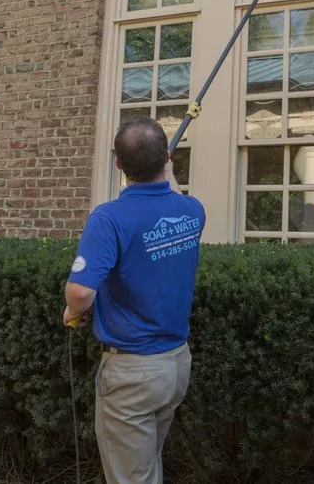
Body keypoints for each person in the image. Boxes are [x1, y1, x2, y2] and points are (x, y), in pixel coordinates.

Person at [62, 116, 205, 484]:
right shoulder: (192, 212)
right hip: (175, 366)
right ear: (168, 160)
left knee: (133, 477)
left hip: (132, 375)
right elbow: (171, 194)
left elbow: (80, 291)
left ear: (118, 165)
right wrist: (164, 164)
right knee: (145, 468)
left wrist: (72, 310)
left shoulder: (109, 218)